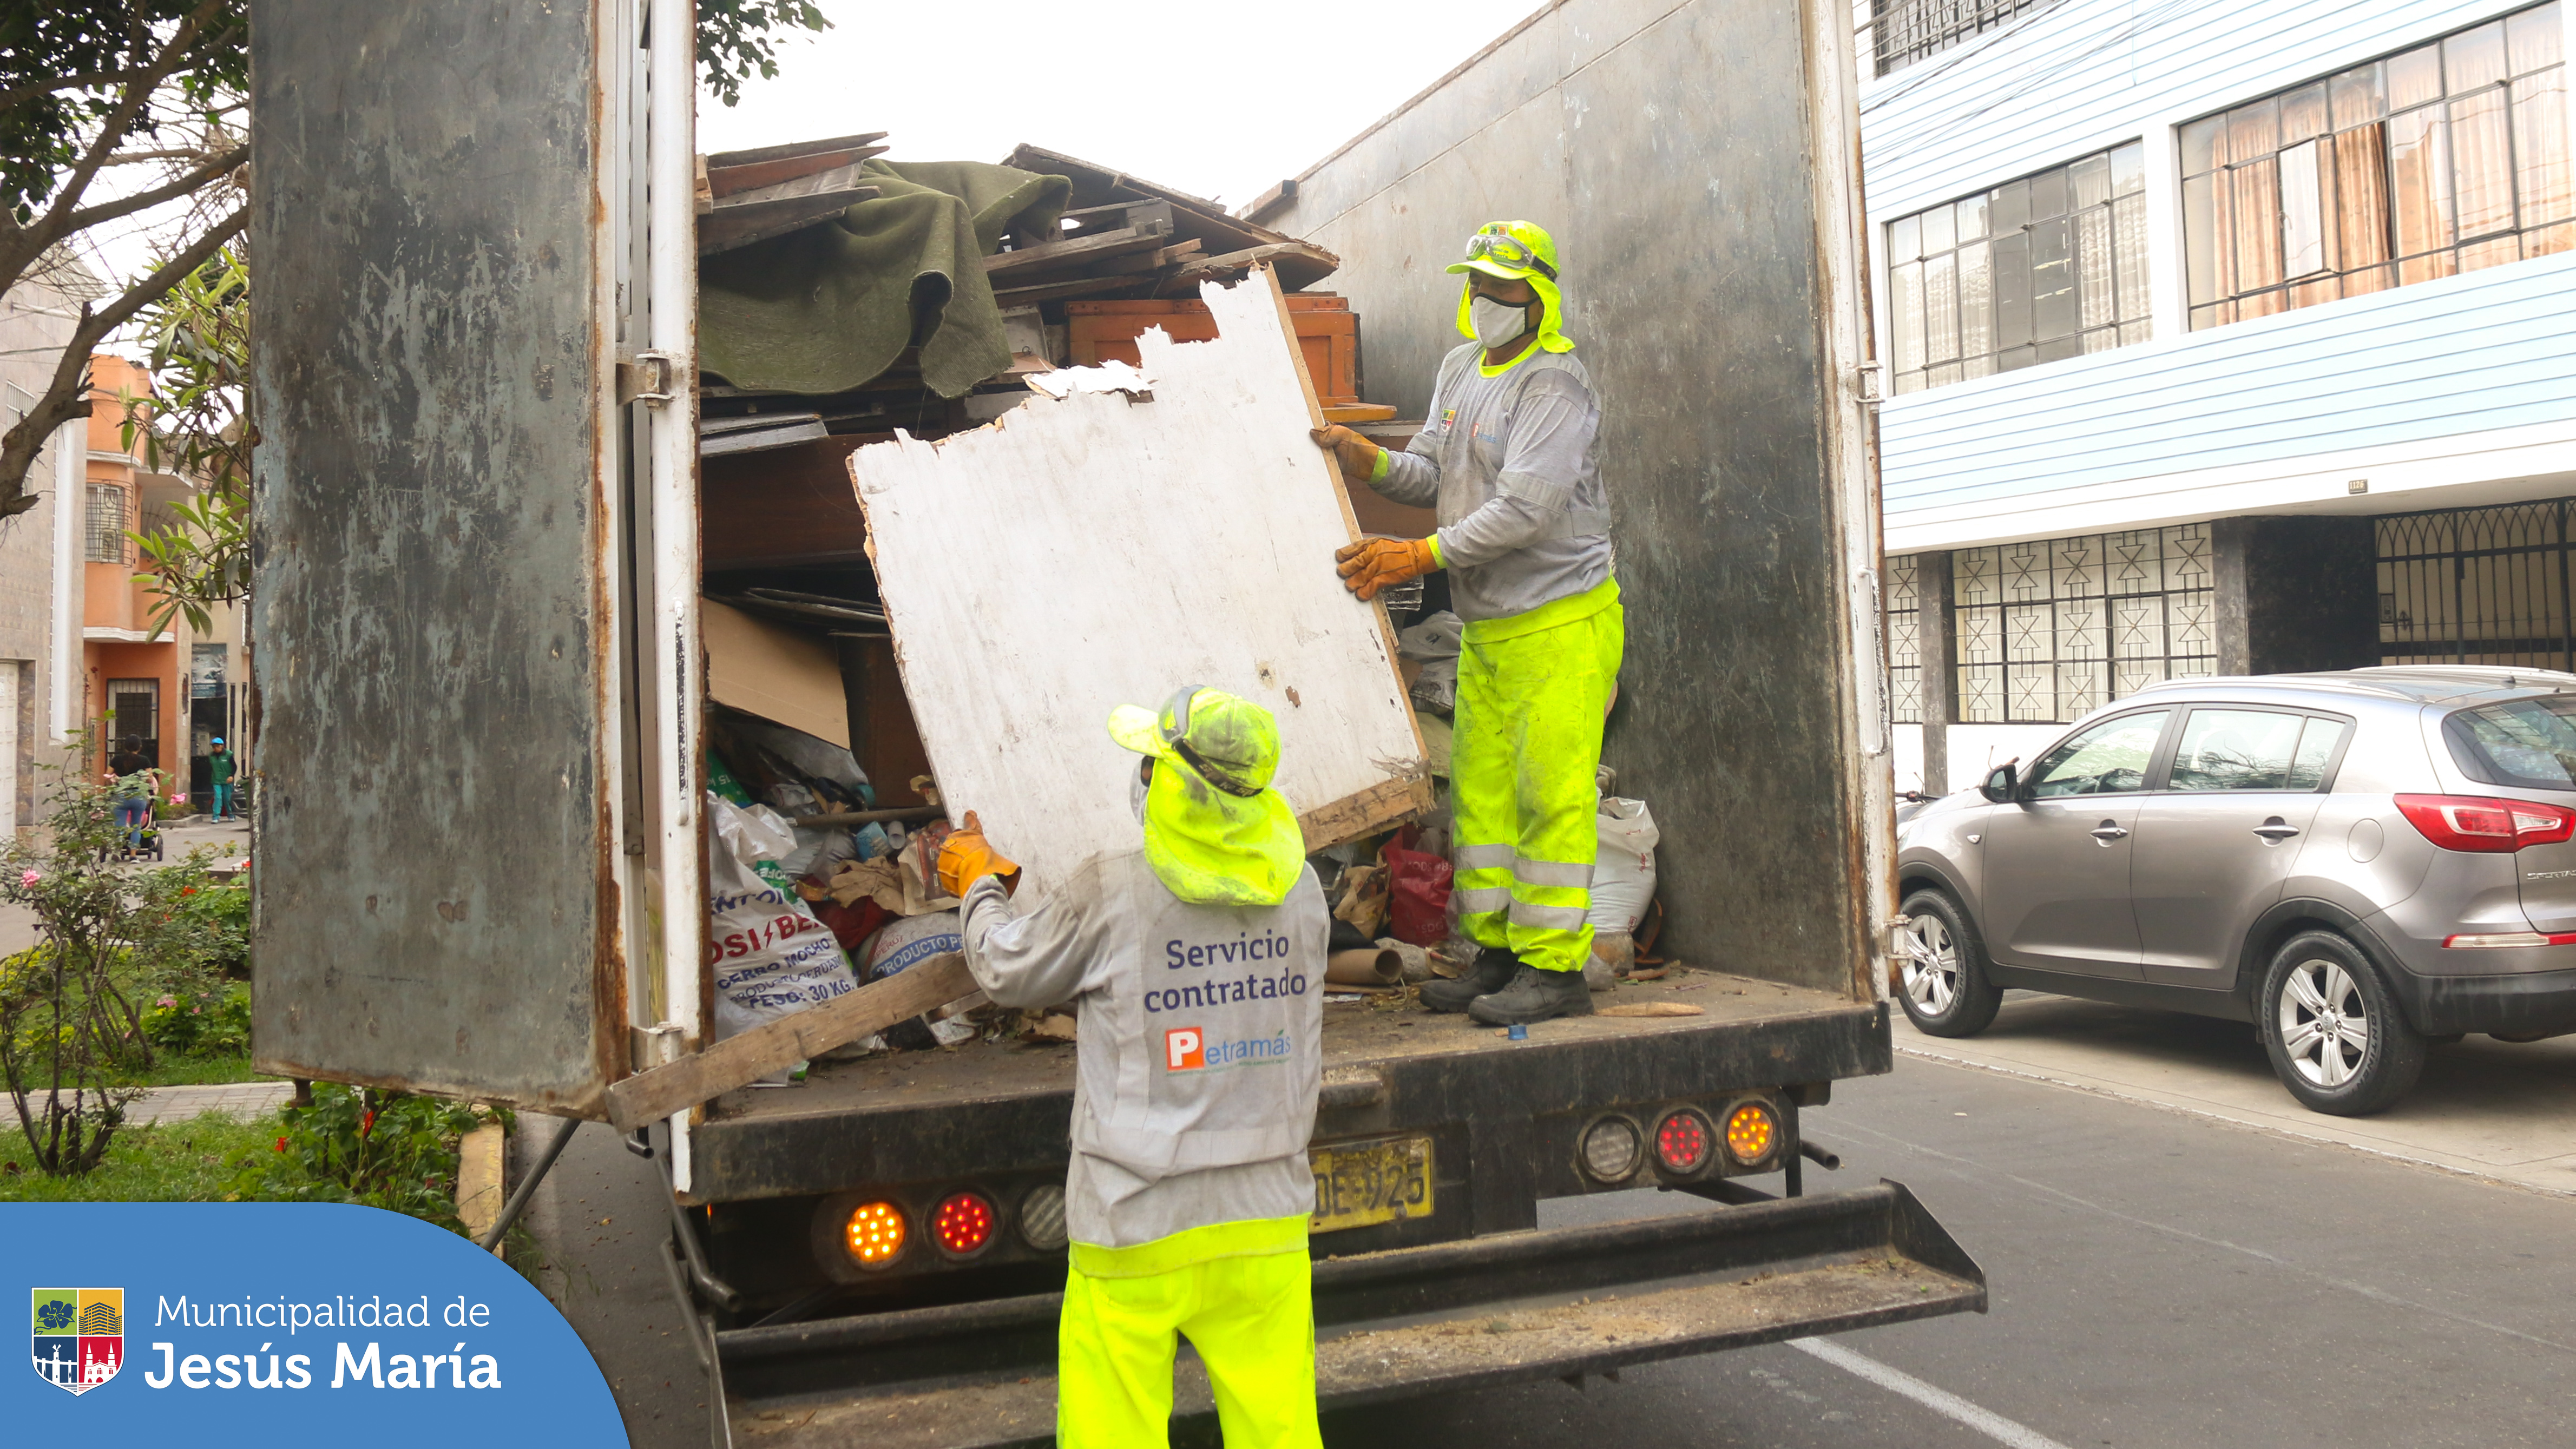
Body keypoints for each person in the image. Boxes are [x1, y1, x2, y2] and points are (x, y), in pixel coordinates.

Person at [937, 687, 1328, 1449]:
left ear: (1170, 786)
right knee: (1279, 1432)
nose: (1142, 775)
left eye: (1152, 763)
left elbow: (1005, 970)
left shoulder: (1113, 888)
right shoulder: (1303, 889)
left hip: (1135, 1221)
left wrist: (977, 883)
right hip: (1267, 1219)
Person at [1310, 219, 1621, 1026]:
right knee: (1483, 802)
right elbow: (1429, 472)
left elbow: (1526, 509)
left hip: (1560, 622)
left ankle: (1554, 972)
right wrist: (1364, 457)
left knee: (1551, 799)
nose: (1486, 299)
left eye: (1504, 288)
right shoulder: (1461, 368)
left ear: (1539, 297)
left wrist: (1416, 560)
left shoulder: (1554, 385)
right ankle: (1495, 954)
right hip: (1490, 628)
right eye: (1477, 284)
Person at [106, 736, 159, 857]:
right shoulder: (144, 760)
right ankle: (133, 855)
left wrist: (114, 785)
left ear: (125, 747)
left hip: (121, 795)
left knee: (120, 826)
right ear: (140, 747)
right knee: (136, 826)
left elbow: (108, 776)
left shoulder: (117, 759)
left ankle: (117, 851)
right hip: (138, 796)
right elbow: (149, 778)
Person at [207, 737, 237, 822]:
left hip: (227, 780)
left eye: (217, 746)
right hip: (216, 780)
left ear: (222, 746)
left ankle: (231, 814)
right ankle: (216, 816)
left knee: (227, 798)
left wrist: (231, 776)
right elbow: (210, 768)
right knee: (218, 797)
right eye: (214, 747)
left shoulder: (228, 754)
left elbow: (234, 766)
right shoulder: (211, 756)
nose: (215, 748)